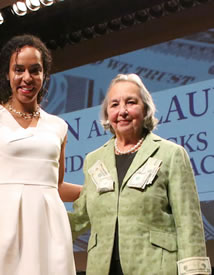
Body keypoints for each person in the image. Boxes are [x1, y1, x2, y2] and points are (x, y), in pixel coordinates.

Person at [0, 34, 82, 275]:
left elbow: (55, 186)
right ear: (8, 74)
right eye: (19, 70)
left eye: (34, 70)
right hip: (2, 226)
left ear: (44, 75)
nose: (26, 78)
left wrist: (97, 192)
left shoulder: (58, 126)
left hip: (50, 229)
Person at [69, 74, 211, 275]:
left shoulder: (171, 154)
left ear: (145, 109)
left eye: (131, 102)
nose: (122, 111)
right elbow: (80, 217)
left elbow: (189, 222)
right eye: (114, 104)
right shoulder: (94, 160)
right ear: (107, 113)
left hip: (156, 268)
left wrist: (195, 272)